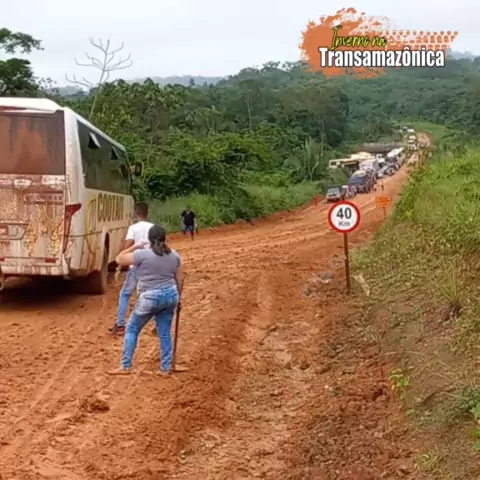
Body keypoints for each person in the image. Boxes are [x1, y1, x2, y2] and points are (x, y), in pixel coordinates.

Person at [108, 225, 183, 376]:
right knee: (164, 332)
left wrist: (135, 246)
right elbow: (179, 280)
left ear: (149, 238)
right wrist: (179, 299)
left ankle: (125, 366)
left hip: (149, 296)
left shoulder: (142, 254)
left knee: (132, 329)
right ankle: (165, 368)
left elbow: (119, 259)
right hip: (170, 295)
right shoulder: (175, 255)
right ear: (164, 238)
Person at [109, 202, 153, 335]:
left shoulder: (133, 228)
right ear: (147, 213)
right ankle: (156, 324)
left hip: (136, 265)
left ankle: (120, 324)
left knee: (125, 294)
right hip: (151, 265)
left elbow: (128, 245)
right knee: (151, 293)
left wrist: (121, 262)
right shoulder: (153, 227)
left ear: (135, 213)